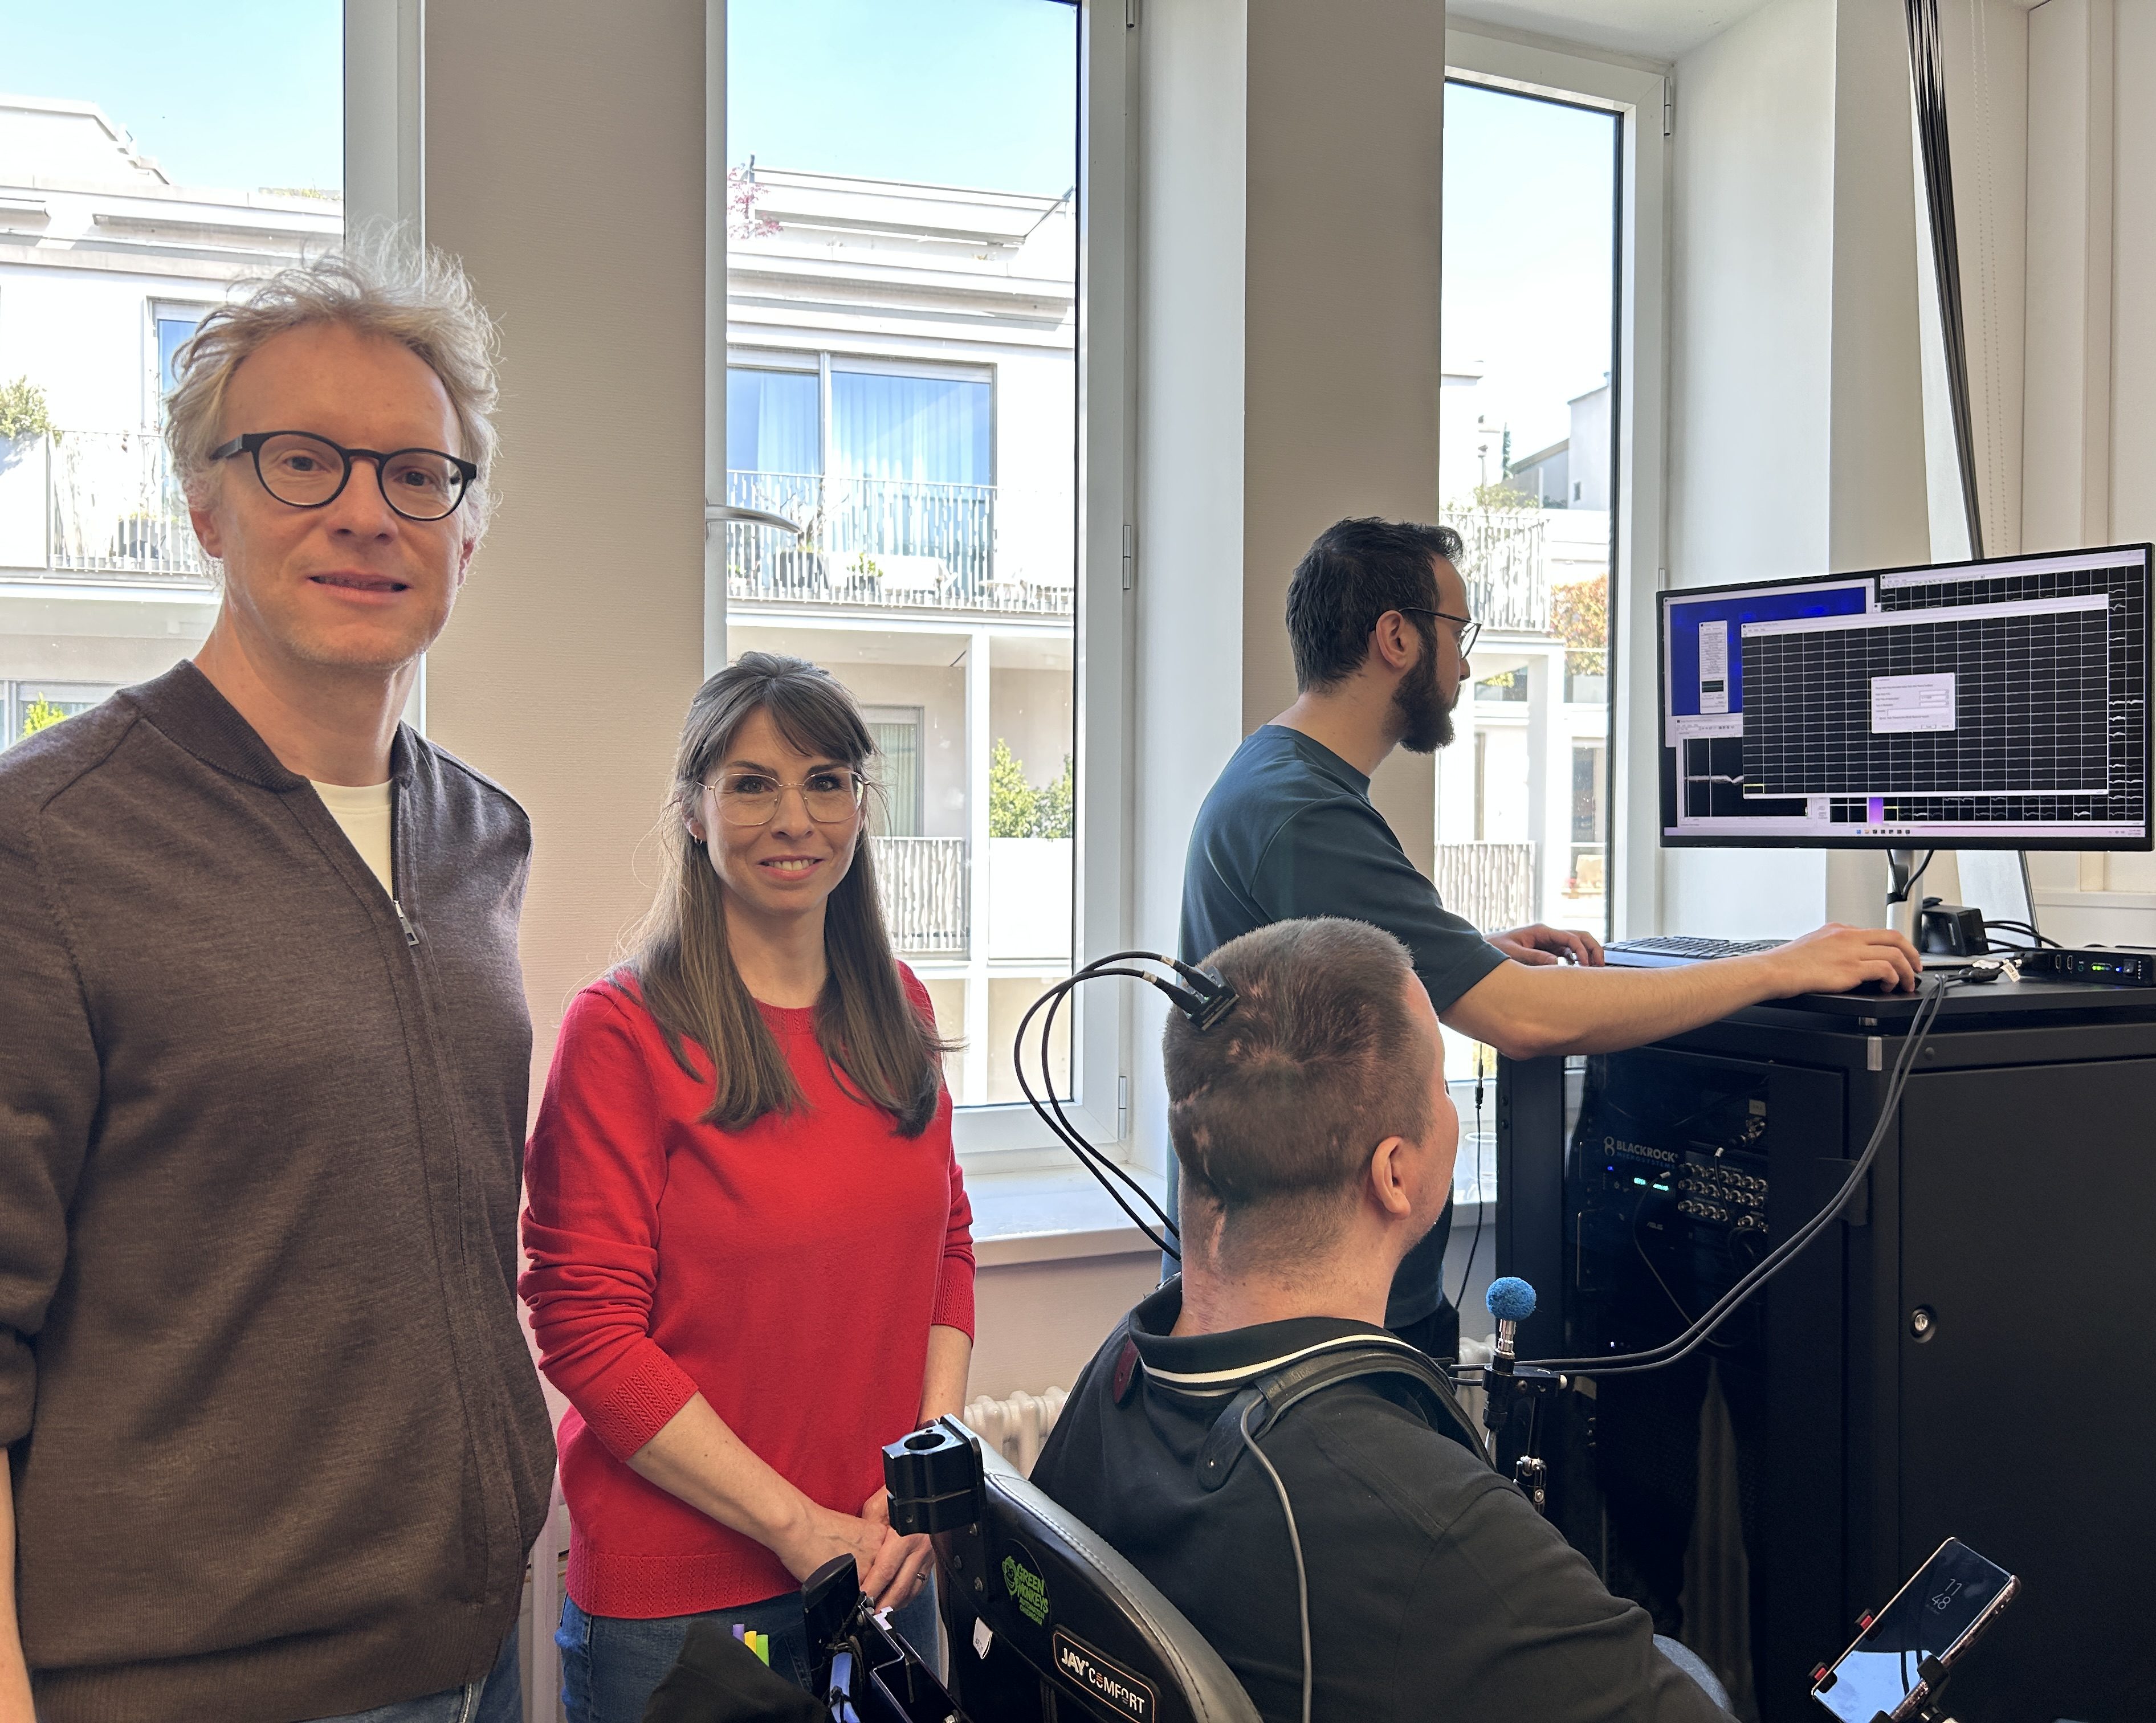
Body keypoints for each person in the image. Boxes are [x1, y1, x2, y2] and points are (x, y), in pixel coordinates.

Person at [0, 244, 553, 1722]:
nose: (366, 512)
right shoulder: (48, 842)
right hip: (195, 1682)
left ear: (466, 533)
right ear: (206, 501)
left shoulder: (482, 839)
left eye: (416, 476)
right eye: (303, 461)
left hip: (474, 1655)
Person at [1179, 516, 1921, 1354]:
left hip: (1299, 1290)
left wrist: (1463, 953)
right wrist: (1779, 967)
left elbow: (1312, 975)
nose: (1465, 665)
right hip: (1312, 1316)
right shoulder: (1305, 812)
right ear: (1396, 638)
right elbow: (1524, 1020)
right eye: (1458, 633)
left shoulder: (1277, 775)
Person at [1030, 917, 1731, 1720]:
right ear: (1394, 1173)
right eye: (1441, 1086)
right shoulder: (1441, 1529)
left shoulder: (1120, 1373)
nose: (1450, 1107)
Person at [521, 653, 976, 1721]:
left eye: (826, 782)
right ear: (692, 809)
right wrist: (798, 1527)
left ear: (860, 804)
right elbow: (586, 1328)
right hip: (688, 1610)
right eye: (752, 784)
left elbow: (948, 1247)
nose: (795, 819)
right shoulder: (621, 1032)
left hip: (882, 1565)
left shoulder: (899, 1008)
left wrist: (921, 1486)